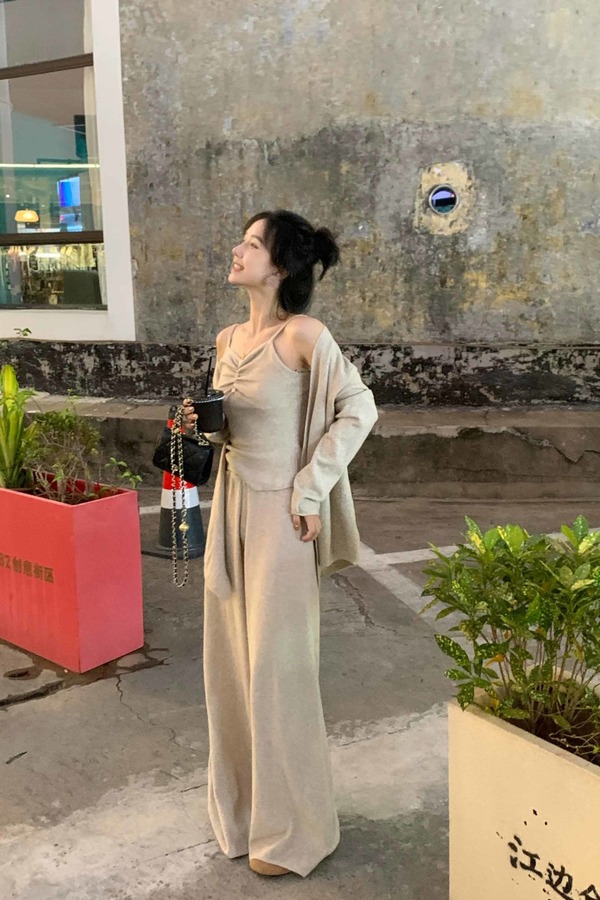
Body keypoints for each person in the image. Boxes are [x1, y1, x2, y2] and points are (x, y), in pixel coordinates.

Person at [182, 209, 378, 879]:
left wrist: (310, 489)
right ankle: (245, 814)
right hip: (232, 508)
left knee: (277, 673)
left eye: (251, 244)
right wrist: (202, 426)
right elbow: (232, 429)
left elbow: (359, 408)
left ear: (281, 266)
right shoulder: (227, 338)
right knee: (230, 668)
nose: (237, 251)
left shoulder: (304, 336)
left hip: (282, 522)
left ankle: (295, 829)